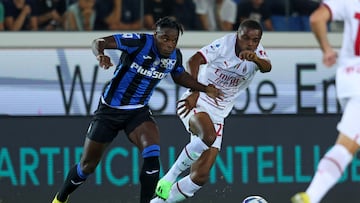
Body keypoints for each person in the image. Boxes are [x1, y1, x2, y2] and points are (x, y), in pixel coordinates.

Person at [51, 16, 222, 203]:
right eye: (165, 38)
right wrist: (100, 54)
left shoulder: (174, 56)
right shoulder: (138, 42)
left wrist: (203, 88)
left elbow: (179, 75)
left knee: (152, 156)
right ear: (155, 35)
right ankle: (61, 198)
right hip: (109, 111)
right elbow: (99, 42)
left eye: (174, 40)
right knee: (87, 166)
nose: (169, 44)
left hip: (137, 113)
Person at [150, 19, 272, 203]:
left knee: (200, 176)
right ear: (237, 35)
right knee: (208, 136)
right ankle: (168, 178)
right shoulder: (224, 44)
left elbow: (267, 67)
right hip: (197, 101)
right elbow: (194, 60)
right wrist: (194, 91)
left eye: (254, 40)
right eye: (245, 38)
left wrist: (255, 58)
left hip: (219, 114)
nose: (249, 43)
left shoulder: (258, 53)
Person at [291, 1, 360, 203]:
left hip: (348, 80)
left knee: (351, 143)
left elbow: (316, 18)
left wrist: (327, 49)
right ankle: (310, 197)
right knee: (347, 144)